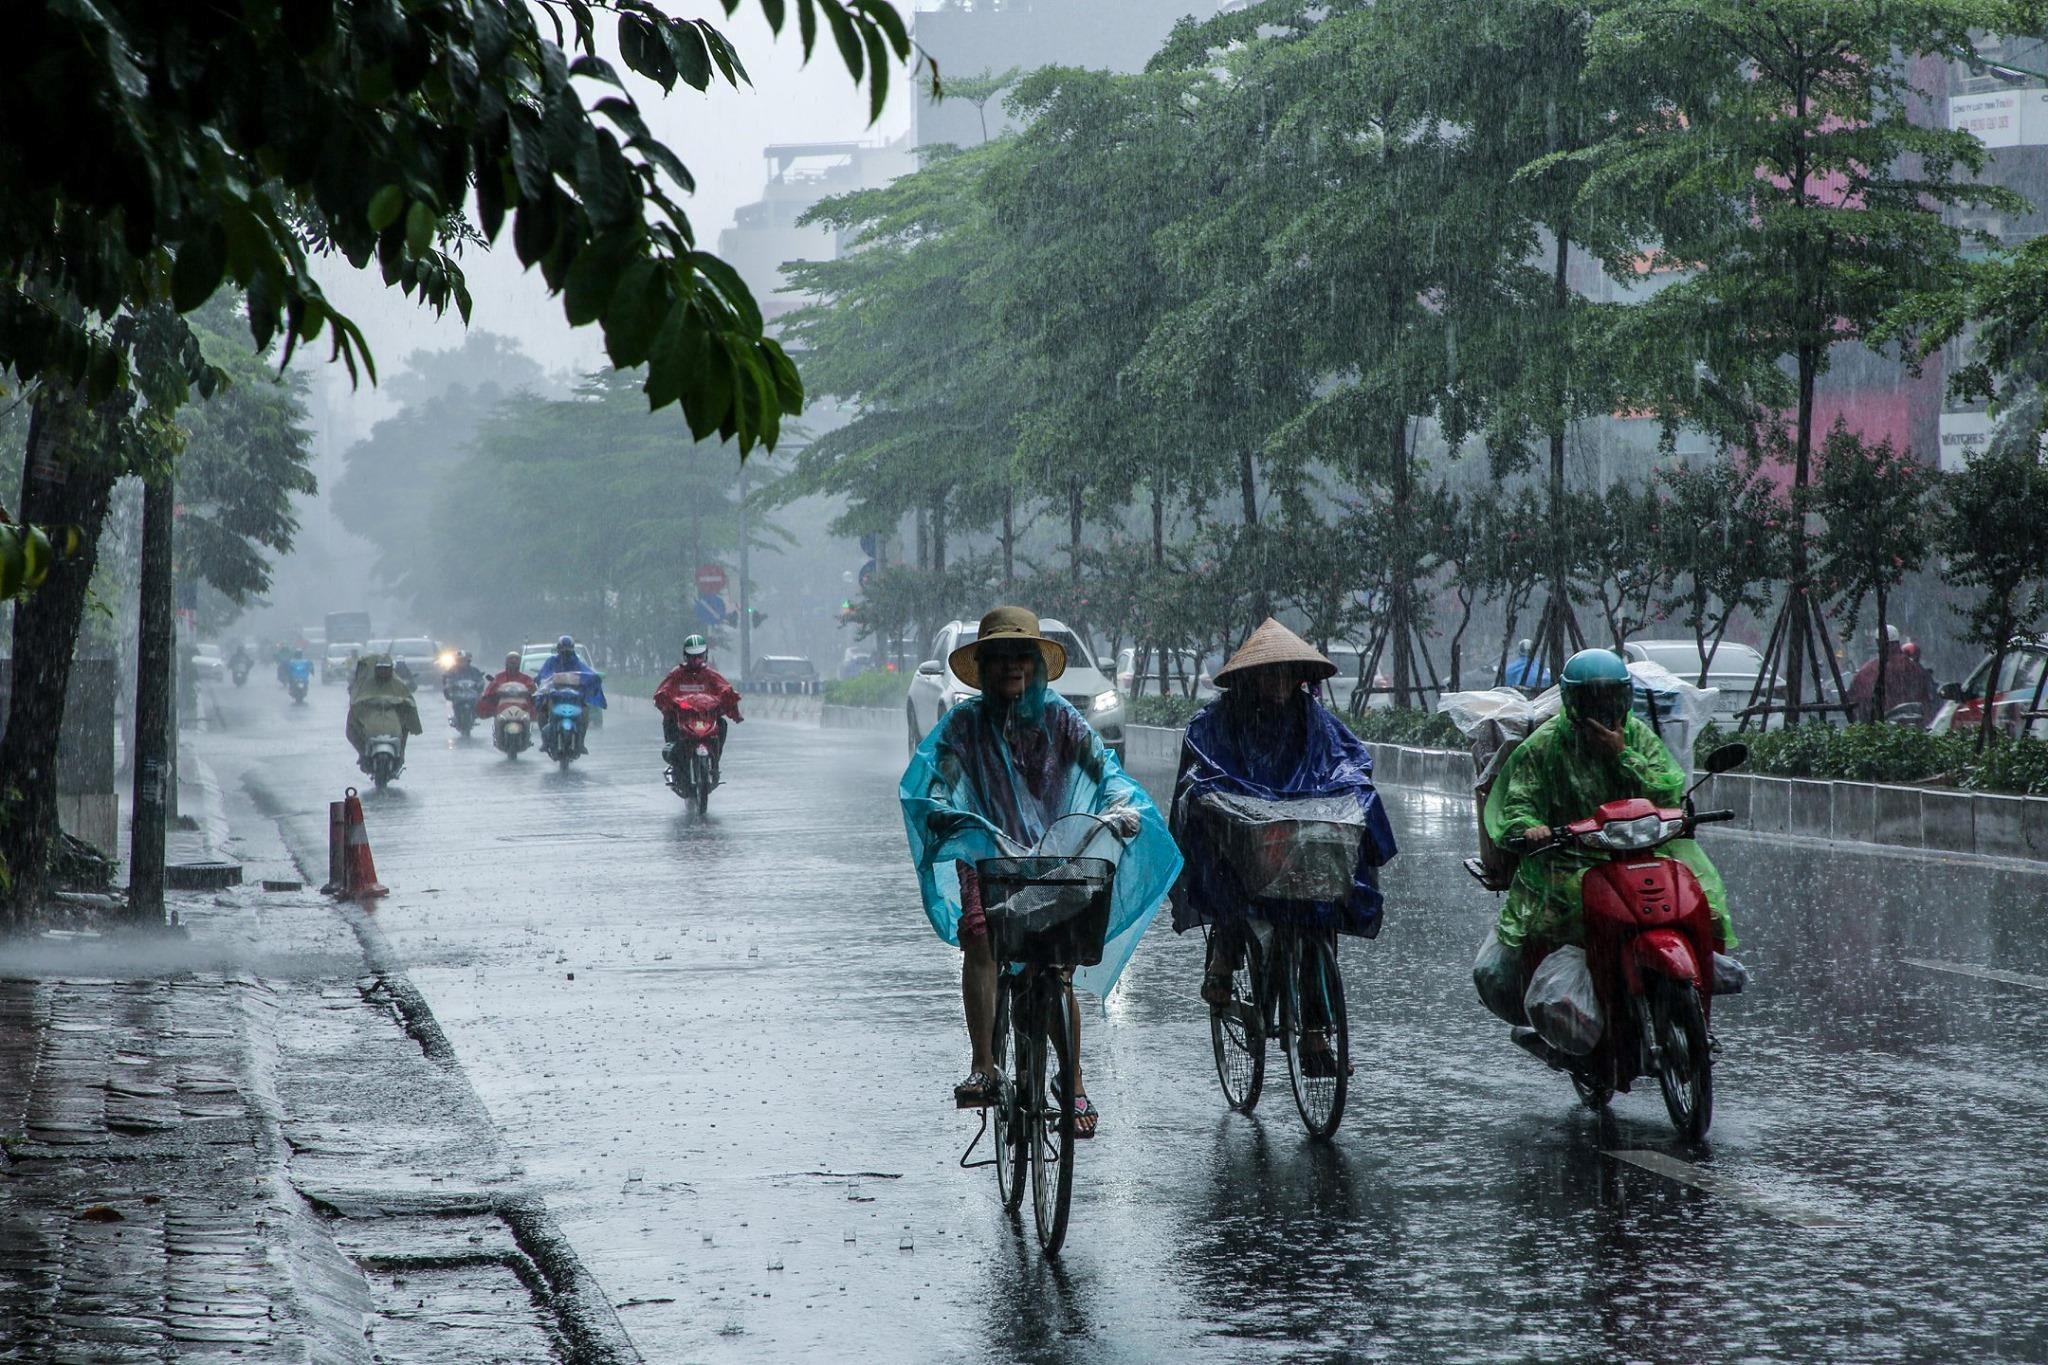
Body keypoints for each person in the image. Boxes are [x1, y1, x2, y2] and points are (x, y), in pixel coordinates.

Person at [899, 606, 1181, 1137]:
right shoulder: (964, 726)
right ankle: (984, 1064)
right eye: (1000, 658)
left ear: (1035, 664)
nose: (1012, 667)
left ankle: (1072, 1082)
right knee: (981, 940)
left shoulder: (1061, 720)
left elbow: (1105, 771)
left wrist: (1121, 808)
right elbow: (939, 779)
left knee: (1059, 964)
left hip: (1058, 857)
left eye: (1020, 657)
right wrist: (940, 807)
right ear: (984, 667)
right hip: (989, 855)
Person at [1170, 620, 1398, 1077]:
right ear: (1248, 677)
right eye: (1268, 674)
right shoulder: (1218, 720)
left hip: (1298, 833)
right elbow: (1202, 773)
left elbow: (1348, 763)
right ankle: (1224, 957)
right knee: (1233, 881)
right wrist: (1223, 802)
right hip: (1245, 833)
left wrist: (1354, 795)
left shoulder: (1313, 717)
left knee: (1321, 913)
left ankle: (1315, 1032)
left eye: (1286, 674)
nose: (1278, 684)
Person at [1486, 648, 1735, 972]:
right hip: (1571, 860)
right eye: (1591, 699)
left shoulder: (1638, 738)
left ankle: (1699, 967)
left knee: (1703, 901)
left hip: (1645, 852)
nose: (1602, 708)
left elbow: (1666, 790)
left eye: (1610, 697)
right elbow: (1518, 803)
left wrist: (1622, 755)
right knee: (1554, 919)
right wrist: (1530, 828)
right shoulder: (1544, 747)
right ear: (1573, 700)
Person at [654, 635, 744, 782]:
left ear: (705, 655)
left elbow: (725, 688)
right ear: (685, 656)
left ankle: (714, 763)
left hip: (706, 719)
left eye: (699, 657)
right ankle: (676, 764)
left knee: (722, 724)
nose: (696, 661)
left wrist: (728, 699)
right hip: (682, 720)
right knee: (669, 722)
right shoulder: (676, 674)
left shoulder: (711, 675)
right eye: (691, 657)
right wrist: (667, 701)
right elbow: (663, 691)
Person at [346, 653, 422, 769]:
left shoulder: (397, 683)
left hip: (392, 720)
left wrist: (404, 706)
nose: (383, 673)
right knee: (351, 729)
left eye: (386, 669)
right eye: (380, 669)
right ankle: (363, 753)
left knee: (405, 728)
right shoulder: (365, 684)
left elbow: (408, 699)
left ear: (391, 670)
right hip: (370, 718)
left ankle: (400, 755)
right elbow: (356, 700)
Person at [1845, 624, 1933, 724]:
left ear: (1877, 642)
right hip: (1915, 725)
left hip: (1881, 728)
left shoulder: (1868, 671)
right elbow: (1926, 698)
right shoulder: (1914, 668)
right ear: (1898, 642)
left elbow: (1854, 697)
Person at [535, 635, 607, 753]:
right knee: (542, 709)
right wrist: (544, 680)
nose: (565, 653)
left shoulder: (577, 662)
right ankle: (545, 741)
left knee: (585, 711)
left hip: (574, 697)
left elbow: (587, 673)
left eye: (568, 650)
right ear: (558, 650)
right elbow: (544, 674)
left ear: (572, 650)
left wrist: (594, 678)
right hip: (555, 696)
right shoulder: (551, 661)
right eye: (563, 650)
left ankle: (581, 742)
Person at [476, 651, 536, 719]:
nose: (513, 663)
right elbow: (490, 689)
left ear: (519, 663)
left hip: (521, 707)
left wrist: (529, 690)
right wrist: (489, 695)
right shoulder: (499, 677)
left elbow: (532, 687)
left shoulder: (526, 678)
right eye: (511, 660)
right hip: (503, 707)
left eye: (516, 660)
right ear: (506, 662)